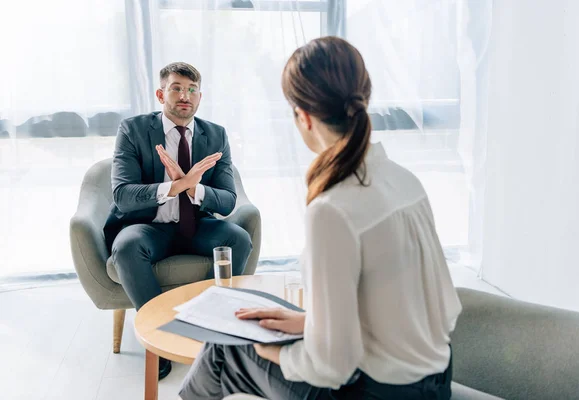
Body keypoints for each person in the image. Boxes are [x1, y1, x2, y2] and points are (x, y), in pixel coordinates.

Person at [178, 37, 462, 399]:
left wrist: (270, 349)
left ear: (304, 117)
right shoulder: (405, 181)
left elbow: (331, 367)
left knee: (225, 349)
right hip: (435, 378)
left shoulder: (332, 210)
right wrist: (309, 323)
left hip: (380, 392)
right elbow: (411, 305)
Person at [103, 62, 253, 380]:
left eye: (191, 90)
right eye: (176, 88)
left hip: (196, 225)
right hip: (148, 226)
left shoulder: (216, 135)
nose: (184, 95)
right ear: (161, 94)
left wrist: (193, 188)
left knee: (238, 238)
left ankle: (211, 331)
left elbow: (227, 201)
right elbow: (123, 195)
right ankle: (160, 339)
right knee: (127, 247)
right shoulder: (133, 130)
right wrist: (174, 187)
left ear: (200, 97)